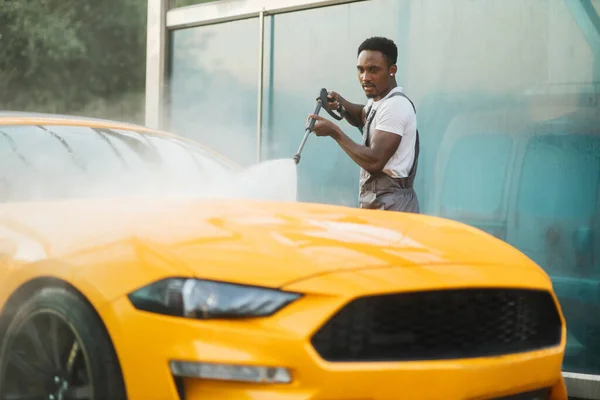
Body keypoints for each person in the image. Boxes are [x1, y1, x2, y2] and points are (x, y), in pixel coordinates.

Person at [309, 36, 420, 213]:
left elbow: (375, 160)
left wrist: (334, 132)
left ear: (392, 70)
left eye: (373, 70)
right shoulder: (381, 101)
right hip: (380, 201)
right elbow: (364, 116)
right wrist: (341, 104)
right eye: (361, 70)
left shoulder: (395, 106)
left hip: (392, 207)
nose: (365, 77)